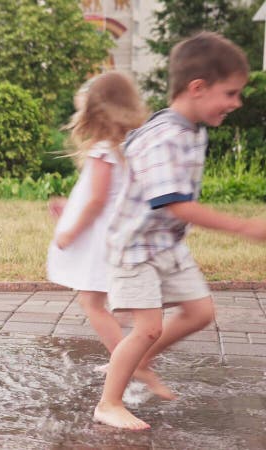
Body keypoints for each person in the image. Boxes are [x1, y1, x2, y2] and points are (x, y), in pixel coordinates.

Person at [93, 31, 266, 430]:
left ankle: (142, 360)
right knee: (148, 327)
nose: (236, 103)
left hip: (166, 244)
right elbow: (172, 202)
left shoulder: (192, 129)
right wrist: (243, 226)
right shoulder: (165, 136)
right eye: (231, 93)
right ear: (198, 87)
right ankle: (109, 403)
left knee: (200, 311)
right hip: (136, 249)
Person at [47, 71, 148, 357]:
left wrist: (70, 231)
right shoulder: (126, 147)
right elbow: (112, 195)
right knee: (102, 297)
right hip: (119, 231)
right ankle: (125, 349)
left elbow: (97, 201)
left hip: (101, 238)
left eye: (82, 111)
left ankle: (125, 363)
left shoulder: (103, 150)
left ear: (96, 114)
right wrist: (70, 206)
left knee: (91, 304)